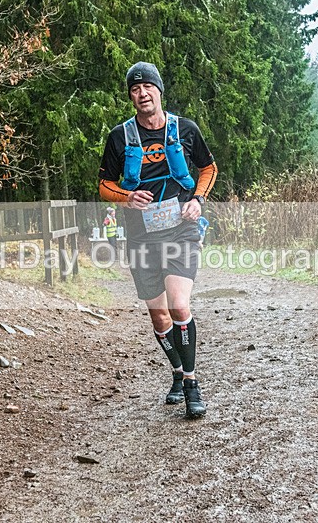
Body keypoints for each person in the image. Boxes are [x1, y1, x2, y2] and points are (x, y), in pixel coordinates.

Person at [99, 61, 218, 418]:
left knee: (179, 306)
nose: (142, 94)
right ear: (131, 97)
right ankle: (177, 372)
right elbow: (104, 185)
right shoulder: (120, 137)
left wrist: (198, 200)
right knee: (159, 318)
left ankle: (192, 384)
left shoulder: (185, 129)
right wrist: (127, 197)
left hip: (181, 230)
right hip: (140, 237)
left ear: (159, 90)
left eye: (147, 87)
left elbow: (208, 168)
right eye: (135, 89)